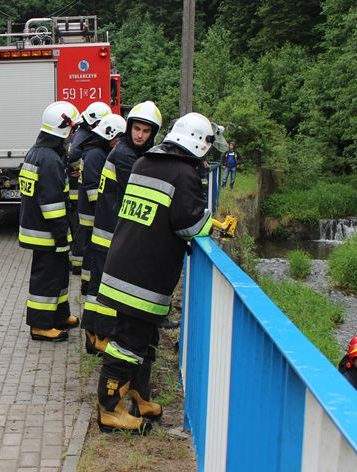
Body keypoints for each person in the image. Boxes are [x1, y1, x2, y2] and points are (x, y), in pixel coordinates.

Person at [95, 112, 228, 434]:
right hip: (144, 277)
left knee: (145, 339)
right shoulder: (183, 174)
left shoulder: (145, 162)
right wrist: (215, 224)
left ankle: (140, 397)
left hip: (122, 267)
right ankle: (109, 410)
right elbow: (188, 225)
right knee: (128, 342)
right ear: (198, 143)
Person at [83, 101, 162, 355]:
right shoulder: (127, 156)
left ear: (153, 133)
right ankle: (100, 337)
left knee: (98, 286)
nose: (140, 135)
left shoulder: (127, 151)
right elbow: (139, 192)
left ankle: (93, 336)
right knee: (105, 290)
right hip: (111, 233)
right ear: (129, 128)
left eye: (146, 131)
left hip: (107, 230)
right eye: (137, 129)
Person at [18, 101, 81, 342]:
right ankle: (40, 326)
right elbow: (52, 204)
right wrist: (61, 235)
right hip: (47, 232)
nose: (73, 135)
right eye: (72, 130)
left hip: (40, 229)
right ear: (63, 129)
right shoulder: (49, 160)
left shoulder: (39, 152)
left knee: (58, 275)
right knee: (46, 278)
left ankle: (59, 316)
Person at [67, 102, 112, 278]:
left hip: (80, 187)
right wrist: (82, 167)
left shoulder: (81, 132)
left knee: (80, 228)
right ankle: (78, 264)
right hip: (79, 190)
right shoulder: (86, 135)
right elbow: (73, 158)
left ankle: (78, 262)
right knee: (81, 228)